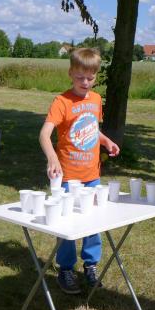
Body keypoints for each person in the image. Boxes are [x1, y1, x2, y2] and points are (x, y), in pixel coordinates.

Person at [39, 47, 120, 294]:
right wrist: (52, 157)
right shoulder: (61, 102)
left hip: (91, 176)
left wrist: (105, 141)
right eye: (79, 77)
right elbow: (44, 134)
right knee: (67, 225)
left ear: (96, 76)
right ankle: (65, 269)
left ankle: (90, 265)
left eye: (90, 78)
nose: (85, 82)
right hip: (67, 178)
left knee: (93, 223)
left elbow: (91, 128)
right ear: (70, 74)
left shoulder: (95, 100)